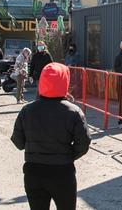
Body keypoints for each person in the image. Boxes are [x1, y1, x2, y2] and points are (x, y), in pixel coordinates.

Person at [11, 62, 91, 210]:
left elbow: (18, 142)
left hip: (34, 170)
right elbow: (83, 143)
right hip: (62, 170)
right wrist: (68, 155)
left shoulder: (27, 110)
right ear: (64, 82)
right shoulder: (73, 112)